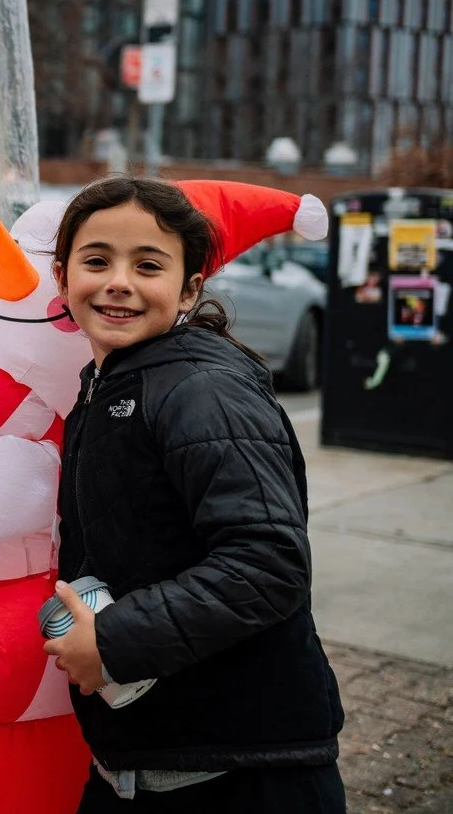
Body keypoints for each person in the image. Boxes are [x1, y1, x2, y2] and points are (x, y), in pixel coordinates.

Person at [44, 176, 344, 812]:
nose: (118, 281)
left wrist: (114, 642)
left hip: (240, 776)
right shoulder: (108, 383)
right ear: (62, 275)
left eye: (148, 265)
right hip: (146, 765)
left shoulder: (200, 389)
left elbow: (267, 563)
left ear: (189, 288)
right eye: (96, 260)